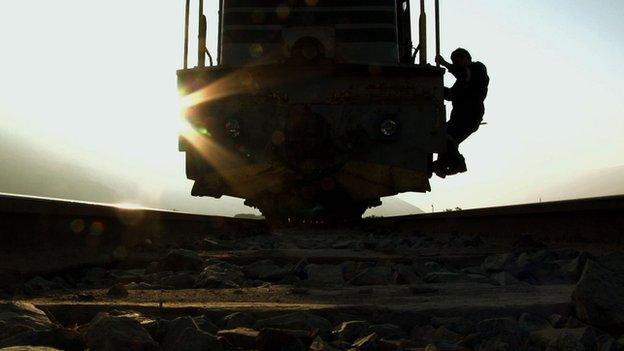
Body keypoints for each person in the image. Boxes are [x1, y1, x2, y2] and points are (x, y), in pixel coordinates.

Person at [434, 48, 489, 177]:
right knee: (443, 137)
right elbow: (451, 95)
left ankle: (456, 164)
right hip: (459, 117)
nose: (455, 66)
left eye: (457, 62)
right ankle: (444, 164)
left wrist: (445, 64)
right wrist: (434, 87)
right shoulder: (461, 82)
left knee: (446, 137)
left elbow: (464, 74)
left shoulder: (478, 69)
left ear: (466, 58)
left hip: (470, 116)